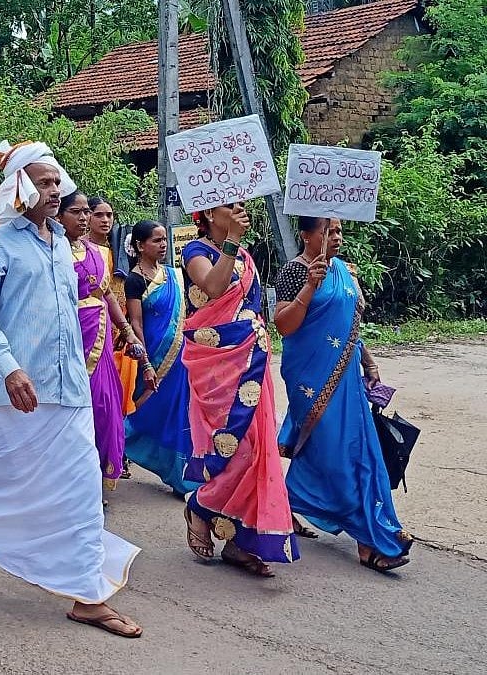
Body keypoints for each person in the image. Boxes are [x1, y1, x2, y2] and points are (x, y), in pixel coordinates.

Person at [0, 140, 141, 638]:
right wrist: (9, 369)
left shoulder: (63, 244)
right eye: (45, 182)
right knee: (7, 476)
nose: (55, 191)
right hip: (20, 388)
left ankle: (88, 596)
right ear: (20, 187)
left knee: (80, 489)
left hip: (70, 387)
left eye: (58, 182)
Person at [274, 217, 413, 573]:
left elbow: (351, 326)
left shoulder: (345, 271)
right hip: (311, 379)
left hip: (347, 378)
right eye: (327, 231)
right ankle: (369, 539)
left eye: (338, 231)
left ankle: (378, 531)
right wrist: (309, 286)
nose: (335, 237)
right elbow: (284, 325)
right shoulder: (293, 272)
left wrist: (369, 364)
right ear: (306, 235)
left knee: (361, 454)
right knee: (337, 456)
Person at [181, 201, 298, 577]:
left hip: (251, 361)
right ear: (209, 215)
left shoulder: (247, 257)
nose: (240, 211)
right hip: (215, 366)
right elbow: (213, 290)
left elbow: (252, 310)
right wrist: (231, 240)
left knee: (258, 447)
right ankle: (200, 505)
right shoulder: (194, 251)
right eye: (230, 207)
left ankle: (240, 540)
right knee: (234, 447)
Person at [59, 191, 150, 494]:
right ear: (58, 216)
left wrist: (127, 332)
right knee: (72, 411)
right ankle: (67, 481)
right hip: (69, 339)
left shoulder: (96, 252)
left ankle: (97, 479)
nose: (84, 217)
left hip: (101, 340)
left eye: (87, 211)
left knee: (105, 407)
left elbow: (107, 294)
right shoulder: (52, 251)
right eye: (76, 211)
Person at [122, 220, 202, 497]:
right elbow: (136, 323)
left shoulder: (175, 275)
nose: (163, 245)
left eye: (164, 240)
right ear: (140, 246)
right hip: (154, 356)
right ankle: (116, 444)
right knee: (149, 411)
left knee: (179, 413)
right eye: (155, 241)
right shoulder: (134, 280)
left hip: (181, 357)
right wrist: (145, 363)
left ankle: (179, 475)